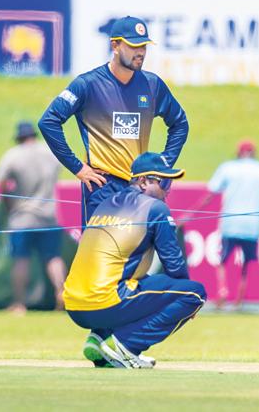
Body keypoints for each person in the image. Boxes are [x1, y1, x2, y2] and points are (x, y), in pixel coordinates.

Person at [38, 16, 189, 227]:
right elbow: (48, 121)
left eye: (144, 45)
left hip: (140, 187)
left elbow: (180, 124)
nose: (141, 52)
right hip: (101, 186)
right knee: (100, 256)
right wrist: (77, 167)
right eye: (134, 45)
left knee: (135, 257)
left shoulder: (152, 85)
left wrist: (163, 165)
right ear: (115, 45)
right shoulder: (87, 84)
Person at [63, 152, 206, 369]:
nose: (168, 190)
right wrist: (187, 302)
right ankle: (126, 346)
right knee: (194, 292)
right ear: (142, 182)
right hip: (105, 303)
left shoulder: (105, 203)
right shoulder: (155, 208)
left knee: (139, 280)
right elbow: (174, 265)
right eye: (164, 182)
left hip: (74, 306)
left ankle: (100, 338)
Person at [198, 140, 259, 309]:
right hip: (253, 223)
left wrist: (193, 211)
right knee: (245, 263)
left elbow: (211, 193)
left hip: (230, 221)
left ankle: (223, 290)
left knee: (223, 260)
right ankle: (239, 297)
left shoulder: (228, 168)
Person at [0, 121, 66, 314]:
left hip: (22, 217)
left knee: (21, 259)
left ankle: (19, 303)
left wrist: (8, 206)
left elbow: (2, 184)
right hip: (49, 215)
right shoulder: (50, 154)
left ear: (19, 138)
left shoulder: (13, 156)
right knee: (53, 258)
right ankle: (61, 292)